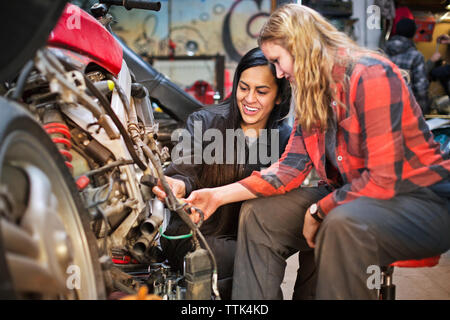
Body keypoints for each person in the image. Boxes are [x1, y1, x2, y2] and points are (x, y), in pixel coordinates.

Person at [185, 4, 450, 300]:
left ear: (301, 46)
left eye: (278, 60)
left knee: (339, 222)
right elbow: (287, 171)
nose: (279, 73)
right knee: (260, 215)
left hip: (419, 203)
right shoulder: (313, 96)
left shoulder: (371, 74)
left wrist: (319, 209)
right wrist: (217, 195)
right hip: (351, 197)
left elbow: (385, 179)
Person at [152, 47, 293, 299]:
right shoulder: (205, 121)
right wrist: (177, 185)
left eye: (261, 91)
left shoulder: (285, 137)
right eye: (243, 87)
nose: (249, 99)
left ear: (279, 97)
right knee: (249, 267)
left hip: (251, 240)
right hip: (194, 235)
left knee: (258, 265)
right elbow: (184, 171)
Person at [385, 18, 430, 114]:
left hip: (384, 107)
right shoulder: (416, 56)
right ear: (413, 33)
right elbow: (421, 88)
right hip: (408, 109)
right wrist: (424, 113)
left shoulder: (382, 52)